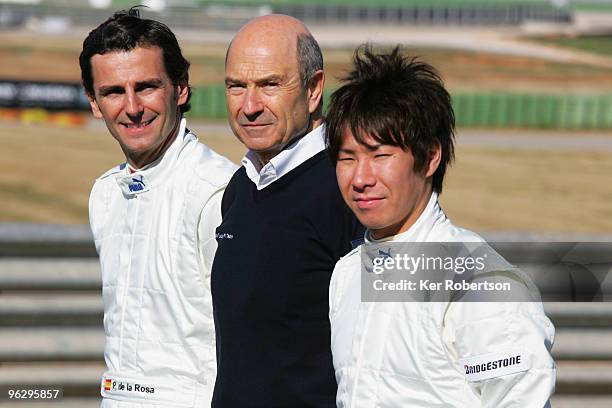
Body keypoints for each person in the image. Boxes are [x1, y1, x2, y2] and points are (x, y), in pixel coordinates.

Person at [325, 45, 556, 407]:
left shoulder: (479, 283)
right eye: (347, 158)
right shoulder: (347, 273)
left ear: (431, 156)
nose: (361, 178)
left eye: (381, 156)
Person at [79, 8, 237, 407]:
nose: (132, 107)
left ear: (180, 88)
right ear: (94, 102)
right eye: (113, 92)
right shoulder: (104, 194)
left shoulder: (218, 191)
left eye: (146, 86)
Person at [211, 14, 364, 407]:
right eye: (236, 87)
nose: (249, 106)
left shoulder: (351, 188)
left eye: (269, 85)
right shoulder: (241, 186)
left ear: (314, 90)